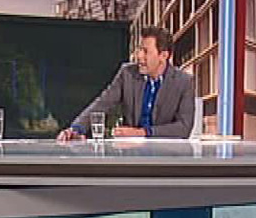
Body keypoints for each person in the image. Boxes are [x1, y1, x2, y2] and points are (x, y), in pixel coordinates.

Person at [57, 26, 195, 141]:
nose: (139, 56)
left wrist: (141, 133)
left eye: (145, 51)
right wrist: (76, 129)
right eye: (139, 49)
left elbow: (184, 128)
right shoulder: (127, 73)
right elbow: (103, 103)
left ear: (163, 56)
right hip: (131, 153)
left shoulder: (184, 82)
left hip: (166, 156)